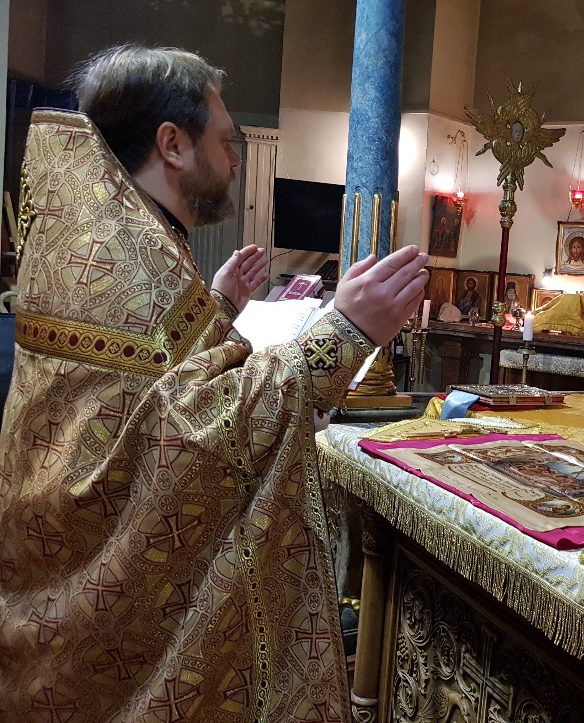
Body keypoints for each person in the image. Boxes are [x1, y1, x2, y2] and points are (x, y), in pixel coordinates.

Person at [0, 45, 428, 722]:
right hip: (93, 620)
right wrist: (344, 333)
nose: (235, 160)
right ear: (173, 144)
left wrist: (218, 307)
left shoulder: (124, 240)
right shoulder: (125, 261)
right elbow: (185, 432)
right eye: (226, 142)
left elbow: (152, 383)